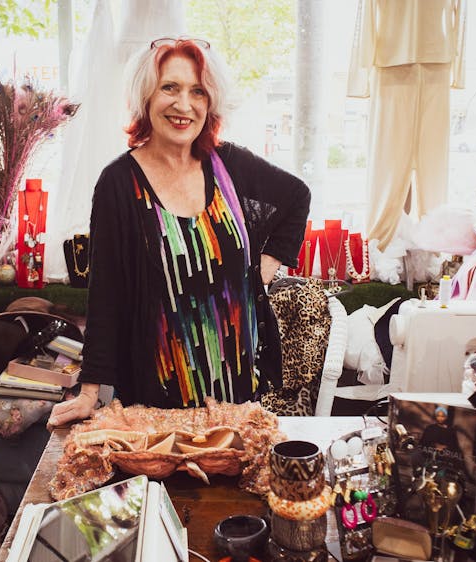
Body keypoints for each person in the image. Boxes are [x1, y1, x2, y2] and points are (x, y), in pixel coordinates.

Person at [48, 37, 310, 427]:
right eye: (169, 87)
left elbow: (297, 196)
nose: (184, 105)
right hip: (155, 399)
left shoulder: (230, 165)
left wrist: (262, 270)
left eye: (197, 91)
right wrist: (89, 392)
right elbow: (106, 293)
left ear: (210, 101)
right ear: (146, 96)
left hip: (235, 392)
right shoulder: (118, 183)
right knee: (162, 489)